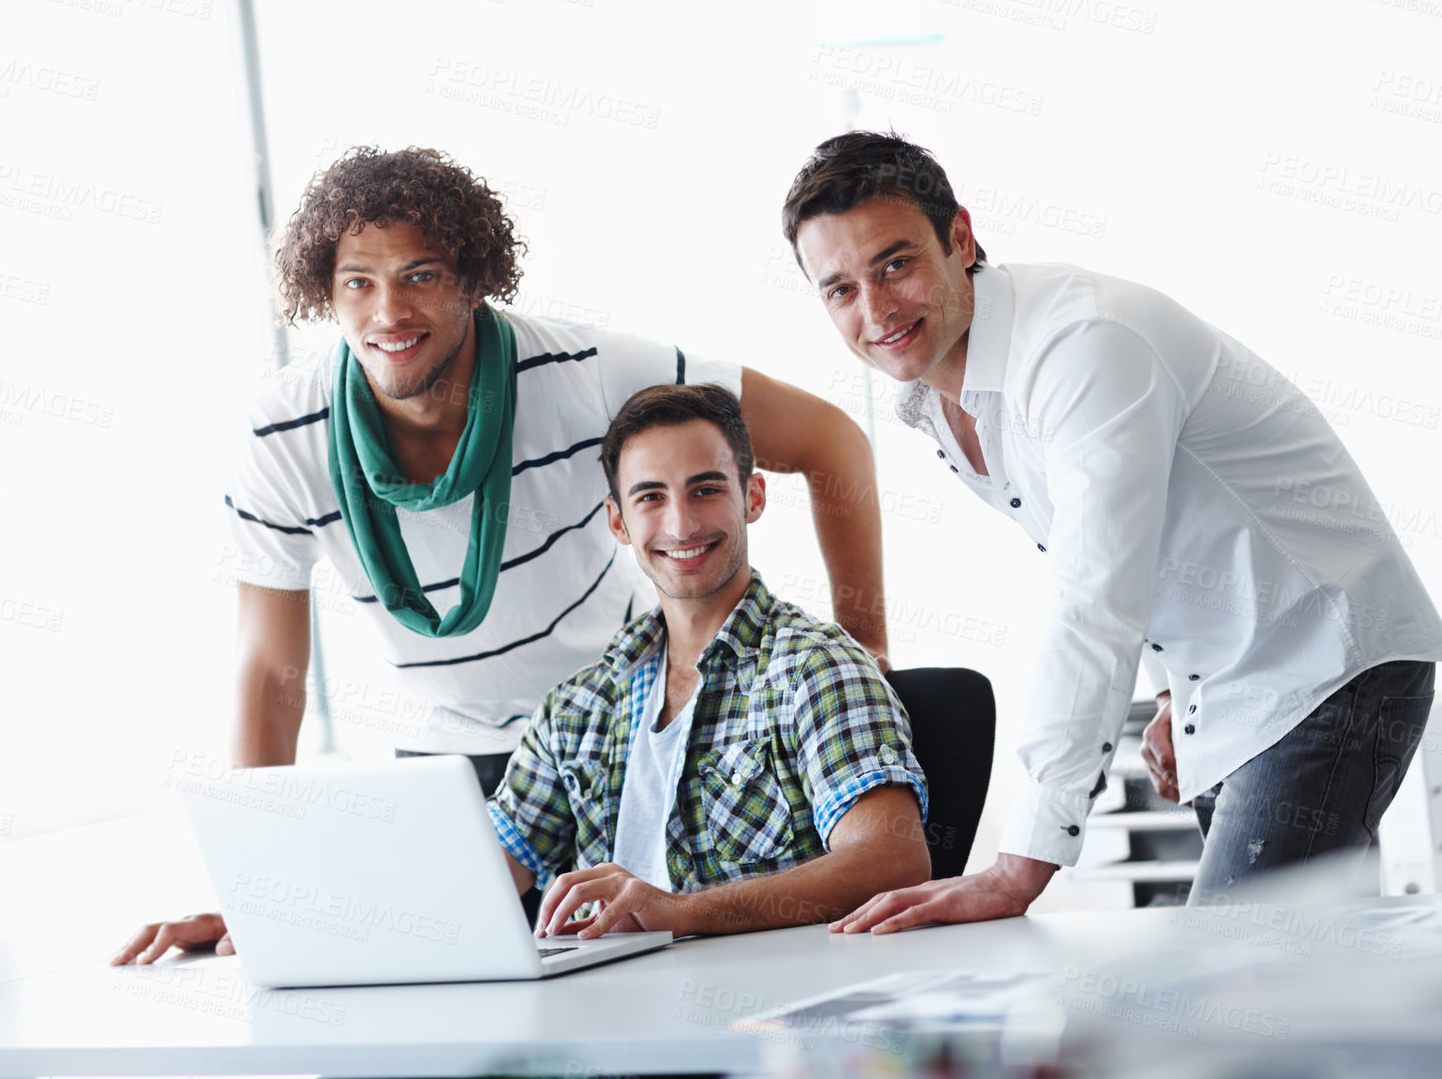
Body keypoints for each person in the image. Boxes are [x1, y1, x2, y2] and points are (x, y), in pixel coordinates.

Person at [777, 132, 1442, 930]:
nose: (877, 309)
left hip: (1323, 665)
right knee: (1309, 988)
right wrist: (1176, 686)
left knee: (1235, 984)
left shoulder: (1081, 347)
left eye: (895, 264)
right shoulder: (939, 396)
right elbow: (1151, 539)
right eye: (841, 290)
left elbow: (1093, 598)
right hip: (1236, 678)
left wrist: (1018, 868)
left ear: (959, 237)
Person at [113, 383, 929, 964]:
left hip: (766, 1028)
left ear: (752, 498)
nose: (680, 523)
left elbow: (892, 860)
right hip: (601, 1029)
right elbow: (474, 880)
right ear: (616, 521)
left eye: (705, 490)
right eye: (649, 498)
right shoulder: (583, 704)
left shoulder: (815, 666)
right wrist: (270, 920)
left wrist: (680, 914)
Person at [224, 146, 889, 796]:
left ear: (473, 280)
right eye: (358, 283)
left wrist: (867, 663)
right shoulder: (282, 435)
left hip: (619, 715)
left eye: (421, 275)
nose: (389, 312)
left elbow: (829, 441)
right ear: (326, 292)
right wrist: (245, 881)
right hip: (442, 752)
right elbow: (270, 675)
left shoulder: (589, 374)